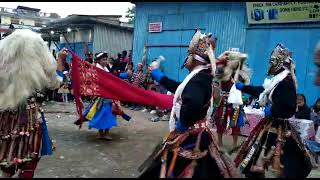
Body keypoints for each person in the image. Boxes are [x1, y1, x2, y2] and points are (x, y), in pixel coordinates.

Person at [138, 29, 239, 178]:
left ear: (196, 58)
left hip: (190, 136)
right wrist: (158, 75)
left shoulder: (199, 79)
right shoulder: (202, 76)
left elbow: (192, 105)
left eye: (188, 53)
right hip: (198, 133)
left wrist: (183, 123)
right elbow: (182, 88)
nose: (187, 57)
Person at [234, 43, 312, 178]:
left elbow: (289, 107)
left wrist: (274, 110)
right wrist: (244, 87)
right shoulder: (278, 80)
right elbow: (263, 91)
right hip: (271, 123)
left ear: (278, 63)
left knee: (274, 159)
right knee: (258, 154)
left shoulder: (286, 81)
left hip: (278, 125)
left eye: (272, 61)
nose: (269, 64)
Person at [0, 29, 61, 178]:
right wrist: (60, 61)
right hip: (30, 115)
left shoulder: (3, 55)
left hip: (5, 114)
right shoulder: (38, 54)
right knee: (30, 157)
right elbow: (54, 84)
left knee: (6, 157)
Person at [212, 49, 251, 150]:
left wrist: (241, 96)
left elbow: (244, 87)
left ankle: (234, 144)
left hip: (235, 102)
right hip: (223, 100)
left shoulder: (241, 74)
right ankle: (219, 142)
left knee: (236, 122)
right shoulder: (223, 71)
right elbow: (216, 75)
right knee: (220, 121)